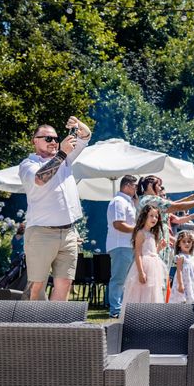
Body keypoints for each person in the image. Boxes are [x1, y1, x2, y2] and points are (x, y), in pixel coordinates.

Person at [18, 116, 91, 301]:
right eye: (48, 138)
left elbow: (86, 135)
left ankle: (55, 324)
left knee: (65, 283)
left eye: (56, 139)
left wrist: (77, 125)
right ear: (35, 141)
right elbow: (40, 179)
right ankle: (33, 327)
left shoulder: (64, 159)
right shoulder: (28, 164)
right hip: (41, 232)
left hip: (68, 232)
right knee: (37, 285)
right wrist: (62, 153)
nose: (54, 142)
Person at [105, 175, 138, 318]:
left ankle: (123, 307)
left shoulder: (128, 202)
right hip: (120, 245)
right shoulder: (118, 201)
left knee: (126, 279)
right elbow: (118, 224)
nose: (137, 188)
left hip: (127, 245)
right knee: (118, 279)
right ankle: (115, 310)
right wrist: (138, 229)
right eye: (135, 186)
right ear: (127, 185)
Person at [122, 204, 166, 305]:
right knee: (141, 291)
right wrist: (141, 272)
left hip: (154, 267)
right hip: (144, 266)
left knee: (152, 291)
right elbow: (138, 253)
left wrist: (159, 247)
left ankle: (150, 315)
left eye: (156, 216)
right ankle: (138, 315)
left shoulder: (153, 234)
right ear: (145, 216)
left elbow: (152, 252)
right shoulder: (141, 233)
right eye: (151, 215)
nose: (154, 218)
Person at [168, 231, 194, 304]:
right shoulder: (180, 256)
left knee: (191, 297)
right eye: (184, 242)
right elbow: (179, 271)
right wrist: (180, 284)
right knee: (182, 298)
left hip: (191, 281)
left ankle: (190, 311)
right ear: (179, 244)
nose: (187, 244)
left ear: (192, 243)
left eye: (189, 241)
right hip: (183, 281)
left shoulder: (191, 257)